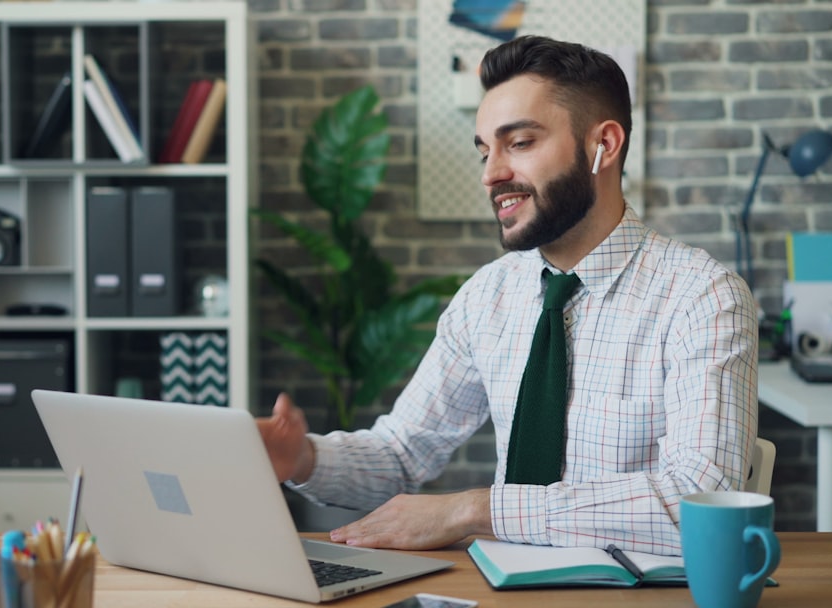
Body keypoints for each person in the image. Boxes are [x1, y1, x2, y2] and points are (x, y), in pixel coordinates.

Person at [257, 35, 758, 556]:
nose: (491, 174)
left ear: (602, 146)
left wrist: (475, 510)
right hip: (502, 588)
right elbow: (402, 452)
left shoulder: (703, 297)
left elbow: (706, 500)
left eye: (518, 143)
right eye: (485, 150)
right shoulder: (488, 297)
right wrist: (300, 459)